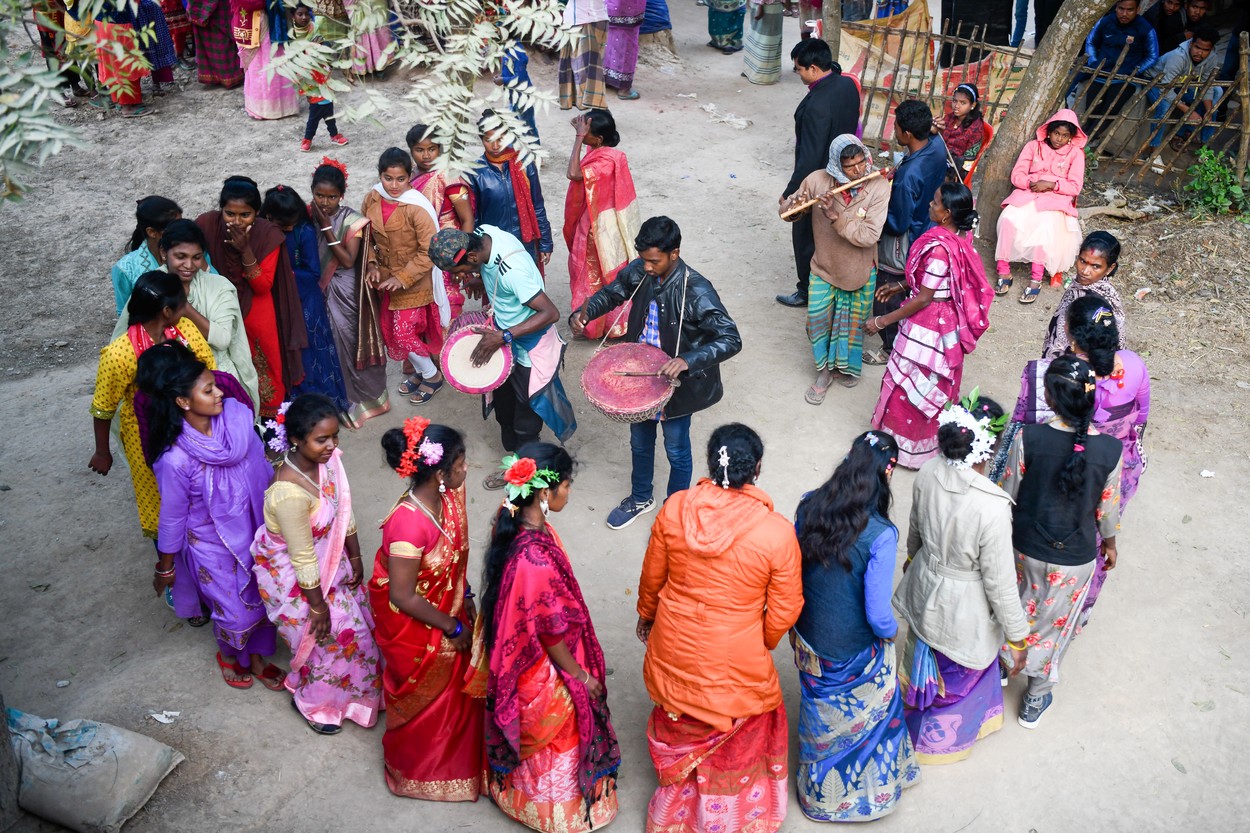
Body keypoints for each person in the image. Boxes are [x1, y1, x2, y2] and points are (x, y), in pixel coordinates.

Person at [638, 424, 801, 833]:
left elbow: (652, 575)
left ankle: (674, 813)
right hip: (736, 654)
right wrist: (758, 641)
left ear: (712, 464)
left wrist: (647, 616)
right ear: (757, 469)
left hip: (672, 642)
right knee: (747, 712)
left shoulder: (675, 507)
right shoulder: (776, 532)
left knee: (680, 708)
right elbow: (785, 608)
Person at [480, 443, 620, 831]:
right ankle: (556, 813)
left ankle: (518, 796)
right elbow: (550, 632)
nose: (569, 492)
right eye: (567, 485)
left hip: (521, 651)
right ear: (545, 492)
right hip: (541, 662)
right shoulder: (535, 560)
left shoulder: (508, 518)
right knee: (565, 721)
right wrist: (581, 675)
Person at [572, 217, 743, 529]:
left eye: (654, 261)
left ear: (674, 254)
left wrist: (688, 359)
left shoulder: (697, 290)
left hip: (678, 387)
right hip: (640, 379)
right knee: (639, 442)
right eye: (644, 260)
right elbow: (614, 292)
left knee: (677, 449)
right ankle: (640, 498)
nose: (647, 268)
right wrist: (585, 312)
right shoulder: (641, 270)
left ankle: (675, 509)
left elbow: (731, 339)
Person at [893, 396, 1031, 764]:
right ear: (989, 449)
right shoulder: (992, 505)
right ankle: (940, 745)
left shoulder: (926, 471)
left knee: (923, 648)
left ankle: (912, 722)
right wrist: (1017, 637)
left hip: (925, 583)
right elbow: (1000, 585)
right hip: (962, 606)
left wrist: (912, 561)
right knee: (957, 668)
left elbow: (916, 530)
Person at [138, 342, 282, 690]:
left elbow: (263, 467)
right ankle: (231, 655)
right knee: (232, 605)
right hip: (209, 540)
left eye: (215, 385)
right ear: (183, 402)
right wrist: (166, 566)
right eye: (209, 390)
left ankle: (259, 657)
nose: (220, 392)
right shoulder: (175, 459)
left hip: (254, 525)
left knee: (262, 593)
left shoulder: (237, 418)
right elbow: (172, 517)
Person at [792, 430, 919, 820]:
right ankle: (862, 797)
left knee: (817, 707)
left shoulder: (809, 505)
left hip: (805, 636)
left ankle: (818, 796)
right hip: (849, 647)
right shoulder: (881, 534)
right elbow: (879, 616)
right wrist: (892, 634)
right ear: (888, 472)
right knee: (884, 687)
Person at [1000, 294, 1148, 618]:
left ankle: (1017, 615)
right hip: (1110, 470)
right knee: (1093, 538)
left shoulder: (1050, 376)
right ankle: (1080, 609)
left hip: (1046, 483)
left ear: (1068, 332)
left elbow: (1018, 430)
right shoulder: (1134, 365)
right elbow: (1141, 417)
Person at [996, 357, 1122, 728]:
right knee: (1055, 624)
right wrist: (1111, 545)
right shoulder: (1111, 452)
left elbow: (1007, 494)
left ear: (1050, 400)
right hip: (1076, 559)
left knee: (1013, 607)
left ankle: (1003, 668)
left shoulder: (1029, 438)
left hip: (1024, 548)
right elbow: (1108, 512)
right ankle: (1035, 698)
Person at [251, 393, 382, 735]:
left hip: (329, 561)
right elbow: (302, 556)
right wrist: (318, 607)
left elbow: (343, 508)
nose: (331, 445)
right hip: (298, 580)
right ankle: (312, 703)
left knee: (359, 633)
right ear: (295, 440)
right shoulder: (288, 492)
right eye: (321, 439)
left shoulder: (329, 462)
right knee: (332, 641)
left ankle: (352, 697)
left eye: (334, 436)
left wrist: (355, 556)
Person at [369, 419, 484, 800]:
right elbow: (402, 596)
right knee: (434, 697)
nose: (466, 469)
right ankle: (423, 771)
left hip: (446, 606)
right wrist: (451, 627)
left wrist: (463, 592)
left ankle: (459, 756)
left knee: (457, 693)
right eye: (461, 463)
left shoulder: (447, 497)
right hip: (417, 627)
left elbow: (457, 552)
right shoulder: (407, 525)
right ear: (438, 472)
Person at [866, 183, 994, 469]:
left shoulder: (938, 250)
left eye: (935, 203)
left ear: (946, 214)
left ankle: (905, 449)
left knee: (910, 380)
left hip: (929, 324)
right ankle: (921, 445)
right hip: (943, 321)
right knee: (927, 382)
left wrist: (881, 321)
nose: (929, 205)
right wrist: (898, 286)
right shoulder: (959, 237)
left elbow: (924, 297)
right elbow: (932, 285)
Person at [431, 227, 577, 477]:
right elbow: (489, 269)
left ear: (473, 257)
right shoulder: (482, 232)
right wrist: (481, 279)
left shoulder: (514, 272)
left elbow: (551, 313)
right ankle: (515, 454)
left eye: (460, 271)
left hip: (529, 345)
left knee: (526, 417)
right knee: (503, 404)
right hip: (506, 338)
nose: (460, 277)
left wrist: (504, 335)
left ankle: (524, 472)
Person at [89, 271, 217, 541]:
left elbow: (209, 369)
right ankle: (171, 563)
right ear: (167, 311)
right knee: (162, 501)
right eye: (182, 304)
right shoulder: (119, 354)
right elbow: (104, 407)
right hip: (146, 437)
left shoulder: (186, 331)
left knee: (199, 496)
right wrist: (102, 451)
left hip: (193, 427)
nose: (186, 309)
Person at [780, 134, 889, 402]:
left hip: (859, 270)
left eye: (861, 163)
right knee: (817, 321)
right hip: (823, 267)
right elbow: (787, 211)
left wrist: (835, 217)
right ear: (836, 165)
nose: (857, 171)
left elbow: (868, 235)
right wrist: (794, 207)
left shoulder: (878, 186)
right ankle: (824, 372)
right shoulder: (818, 180)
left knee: (851, 327)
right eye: (849, 166)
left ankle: (844, 368)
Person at [111, 220, 260, 410]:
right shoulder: (151, 287)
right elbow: (126, 334)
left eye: (197, 257)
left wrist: (184, 307)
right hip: (162, 383)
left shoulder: (219, 286)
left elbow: (222, 340)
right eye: (180, 256)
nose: (189, 265)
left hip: (212, 379)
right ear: (164, 253)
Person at [197, 175, 308, 418]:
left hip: (257, 313)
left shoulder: (268, 235)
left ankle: (270, 424)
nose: (236, 221)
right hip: (218, 310)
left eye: (244, 215)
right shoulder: (206, 224)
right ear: (221, 210)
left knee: (265, 367)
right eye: (229, 214)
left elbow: (262, 285)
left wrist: (245, 249)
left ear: (256, 213)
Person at [776, 39, 862, 308]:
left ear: (814, 68)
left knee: (804, 235)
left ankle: (807, 290)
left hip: (818, 176)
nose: (798, 74)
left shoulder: (816, 106)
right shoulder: (847, 85)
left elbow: (809, 157)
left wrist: (790, 192)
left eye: (800, 69)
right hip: (845, 171)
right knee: (831, 232)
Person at [361, 148, 449, 406]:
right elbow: (364, 236)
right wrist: (372, 263)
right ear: (380, 176)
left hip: (415, 282)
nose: (394, 185)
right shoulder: (372, 199)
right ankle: (423, 372)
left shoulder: (417, 207)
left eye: (401, 179)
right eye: (388, 178)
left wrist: (402, 277)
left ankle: (432, 375)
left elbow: (430, 250)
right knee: (391, 332)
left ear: (409, 177)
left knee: (402, 334)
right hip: (385, 282)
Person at [866, 99, 949, 362]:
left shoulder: (908, 176)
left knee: (887, 291)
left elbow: (898, 223)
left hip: (906, 238)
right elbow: (933, 138)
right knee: (909, 287)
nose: (895, 131)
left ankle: (890, 347)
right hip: (928, 228)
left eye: (897, 127)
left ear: (908, 133)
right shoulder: (936, 148)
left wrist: (870, 216)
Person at [309, 159, 390, 428]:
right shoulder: (306, 215)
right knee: (330, 345)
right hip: (319, 289)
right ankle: (340, 403)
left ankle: (365, 402)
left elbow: (346, 260)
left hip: (347, 292)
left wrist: (325, 227)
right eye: (320, 195)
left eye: (332, 196)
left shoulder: (351, 220)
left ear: (341, 195)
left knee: (352, 341)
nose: (325, 202)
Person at [261, 185, 349, 417]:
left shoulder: (303, 231)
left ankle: (323, 409)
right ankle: (296, 411)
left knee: (311, 353)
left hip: (305, 304)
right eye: (284, 224)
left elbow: (312, 273)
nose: (289, 227)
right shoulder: (263, 231)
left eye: (292, 221)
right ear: (269, 217)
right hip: (276, 302)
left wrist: (284, 276)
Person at [993, 109, 1086, 304]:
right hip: (1027, 194)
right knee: (1008, 219)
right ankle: (1003, 271)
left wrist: (1052, 185)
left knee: (1044, 227)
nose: (1059, 139)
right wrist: (1032, 182)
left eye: (1064, 135)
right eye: (1056, 133)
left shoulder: (1076, 154)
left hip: (1055, 200)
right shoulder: (1032, 147)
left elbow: (1075, 186)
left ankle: (1036, 278)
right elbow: (1017, 175)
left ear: (1071, 137)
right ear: (1048, 131)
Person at [564, 109, 641, 340]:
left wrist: (578, 138)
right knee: (588, 272)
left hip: (599, 229)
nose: (583, 136)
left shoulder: (605, 163)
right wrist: (581, 129)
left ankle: (598, 324)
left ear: (597, 140)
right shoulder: (600, 150)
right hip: (594, 223)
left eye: (587, 134)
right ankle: (594, 321)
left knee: (594, 275)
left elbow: (573, 172)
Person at [466, 112, 554, 273]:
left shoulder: (525, 164)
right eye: (488, 140)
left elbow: (537, 206)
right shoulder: (475, 172)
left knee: (528, 291)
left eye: (500, 139)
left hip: (525, 243)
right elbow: (473, 217)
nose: (495, 146)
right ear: (481, 139)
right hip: (493, 248)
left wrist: (545, 242)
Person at [408, 124, 475, 320]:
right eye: (419, 150)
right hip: (418, 251)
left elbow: (467, 219)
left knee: (448, 304)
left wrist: (460, 258)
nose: (426, 155)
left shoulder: (448, 177)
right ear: (411, 151)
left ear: (440, 149)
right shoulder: (408, 178)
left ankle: (448, 348)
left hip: (448, 252)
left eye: (432, 149)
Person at [1080, 0, 1159, 139]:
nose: (1124, 13)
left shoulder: (1145, 29)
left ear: (1138, 9)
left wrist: (1134, 71)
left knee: (1110, 109)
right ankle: (1084, 135)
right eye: (1121, 9)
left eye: (1129, 10)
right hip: (1100, 73)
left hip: (1124, 79)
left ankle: (1092, 137)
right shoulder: (1105, 22)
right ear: (1116, 7)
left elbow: (1152, 55)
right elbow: (1091, 42)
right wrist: (1094, 62)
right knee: (1092, 107)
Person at [1041, 230, 1126, 358]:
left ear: (1110, 268)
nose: (1085, 271)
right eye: (1082, 261)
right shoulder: (1079, 287)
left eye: (1096, 266)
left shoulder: (1100, 300)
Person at [1143, 26, 1222, 155]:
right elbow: (1166, 89)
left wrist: (1209, 110)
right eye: (1197, 47)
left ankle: (1204, 145)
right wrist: (1188, 111)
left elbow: (1206, 85)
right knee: (1164, 106)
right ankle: (1154, 150)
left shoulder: (1212, 58)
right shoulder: (1178, 57)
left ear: (1211, 49)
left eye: (1205, 50)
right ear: (1191, 44)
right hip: (1156, 83)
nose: (1200, 53)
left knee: (1217, 91)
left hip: (1181, 84)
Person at [292, 4, 349, 153]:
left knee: (330, 114)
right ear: (293, 16)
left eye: (306, 14)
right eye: (300, 14)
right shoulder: (293, 36)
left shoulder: (315, 30)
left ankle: (334, 135)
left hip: (322, 75)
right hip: (309, 80)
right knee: (313, 119)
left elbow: (325, 47)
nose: (304, 17)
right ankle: (307, 139)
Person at [112, 196, 182, 315]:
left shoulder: (194, 252)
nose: (181, 232)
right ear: (152, 232)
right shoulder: (124, 270)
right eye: (173, 229)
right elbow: (124, 315)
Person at [236, 0, 300, 120]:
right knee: (261, 62)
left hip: (274, 20)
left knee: (273, 59)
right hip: (258, 21)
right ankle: (265, 108)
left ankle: (277, 107)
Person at [91, 1, 156, 117]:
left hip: (101, 24)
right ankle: (128, 106)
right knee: (126, 65)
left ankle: (119, 100)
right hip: (118, 26)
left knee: (111, 64)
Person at [559, 0, 610, 111]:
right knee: (582, 69)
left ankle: (601, 112)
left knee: (589, 71)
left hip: (588, 19)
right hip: (579, 19)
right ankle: (597, 110)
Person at [187, 0, 244, 88]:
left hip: (213, 8)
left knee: (221, 41)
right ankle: (226, 76)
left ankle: (222, 76)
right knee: (221, 40)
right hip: (214, 8)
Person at [935, 83, 986, 172]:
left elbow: (969, 160)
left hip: (954, 168)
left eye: (963, 103)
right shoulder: (950, 117)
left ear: (972, 105)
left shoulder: (976, 127)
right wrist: (936, 128)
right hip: (940, 157)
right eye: (955, 101)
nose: (957, 106)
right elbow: (940, 138)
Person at [604, 0, 644, 99]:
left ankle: (608, 78)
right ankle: (624, 88)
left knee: (610, 39)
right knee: (628, 44)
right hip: (628, 7)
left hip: (611, 7)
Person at [743, 0, 784, 85]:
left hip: (769, 4)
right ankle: (751, 71)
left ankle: (763, 76)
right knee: (756, 36)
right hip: (757, 3)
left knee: (767, 39)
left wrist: (761, 4)